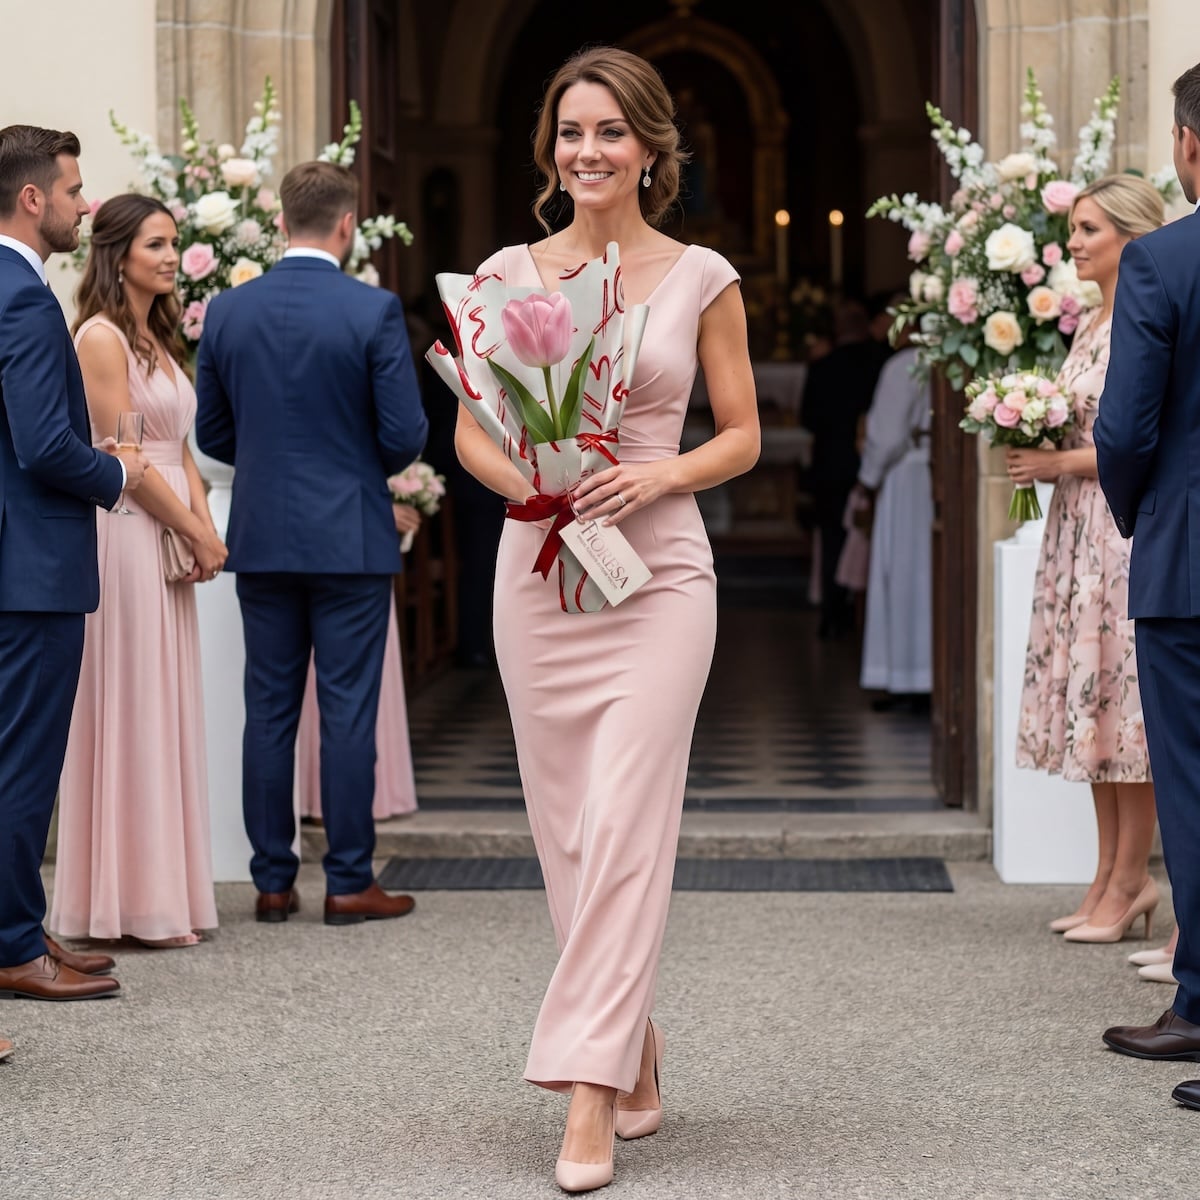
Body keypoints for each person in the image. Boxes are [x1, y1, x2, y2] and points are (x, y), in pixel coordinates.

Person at [451, 46, 759, 1192]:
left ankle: (584, 1096)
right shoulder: (503, 271)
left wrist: (659, 476)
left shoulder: (702, 275)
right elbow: (475, 427)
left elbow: (741, 435)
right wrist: (523, 485)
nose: (588, 151)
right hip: (539, 568)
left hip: (660, 575)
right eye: (571, 132)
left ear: (650, 147)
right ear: (551, 148)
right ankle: (632, 1044)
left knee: (628, 816)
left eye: (610, 133)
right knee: (572, 830)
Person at [194, 160, 428, 927]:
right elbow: (402, 438)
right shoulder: (373, 310)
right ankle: (350, 881)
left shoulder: (228, 312)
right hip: (349, 539)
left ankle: (271, 881)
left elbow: (213, 435)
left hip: (261, 535)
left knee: (267, 709)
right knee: (346, 710)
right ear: (346, 225)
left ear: (279, 223)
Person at [48, 193, 226, 949]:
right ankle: (121, 901)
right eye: (156, 244)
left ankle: (164, 893)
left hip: (170, 526)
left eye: (172, 243)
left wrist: (204, 523)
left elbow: (176, 443)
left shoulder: (157, 338)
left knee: (165, 703)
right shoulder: (99, 339)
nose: (169, 256)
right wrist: (189, 524)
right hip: (124, 532)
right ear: (117, 254)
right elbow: (124, 456)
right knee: (132, 703)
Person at [0, 126, 145, 1008]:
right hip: (31, 565)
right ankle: (15, 946)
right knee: (22, 762)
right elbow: (44, 444)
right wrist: (119, 474)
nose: (83, 205)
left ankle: (19, 922)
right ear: (31, 199)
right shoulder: (19, 295)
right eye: (73, 189)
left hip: (21, 560)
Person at [1007, 174, 1165, 943]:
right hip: (1078, 533)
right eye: (1074, 230)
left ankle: (1133, 879)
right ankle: (1105, 878)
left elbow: (1146, 441)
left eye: (1088, 230)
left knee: (1126, 714)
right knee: (1095, 710)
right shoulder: (1091, 322)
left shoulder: (1143, 312)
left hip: (1120, 530)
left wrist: (1056, 466)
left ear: (1131, 234)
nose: (1072, 244)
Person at [1092, 62, 1200, 1109]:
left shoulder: (1165, 260)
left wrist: (1146, 513)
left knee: (1198, 794)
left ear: (1189, 146)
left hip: (1192, 563)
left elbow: (1124, 429)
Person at [297, 504, 420, 823]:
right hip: (352, 551)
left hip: (280, 549)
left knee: (271, 713)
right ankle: (348, 864)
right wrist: (373, 507)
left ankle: (273, 870)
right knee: (346, 708)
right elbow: (401, 450)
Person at [800, 297, 891, 639]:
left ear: (838, 330)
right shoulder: (881, 361)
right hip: (873, 463)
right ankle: (867, 622)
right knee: (876, 538)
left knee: (834, 539)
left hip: (831, 463)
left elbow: (808, 418)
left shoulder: (823, 366)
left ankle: (832, 613)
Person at [853, 326, 933, 711]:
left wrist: (867, 482)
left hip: (904, 476)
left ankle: (905, 676)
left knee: (903, 574)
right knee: (922, 575)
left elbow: (885, 435)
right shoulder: (945, 360)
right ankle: (922, 675)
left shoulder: (904, 365)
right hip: (925, 469)